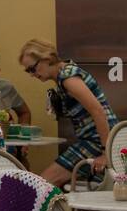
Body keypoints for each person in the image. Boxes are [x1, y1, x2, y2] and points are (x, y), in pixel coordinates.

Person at [19, 39, 117, 187]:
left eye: (32, 69)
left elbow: (98, 111)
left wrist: (106, 153)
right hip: (96, 139)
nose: (32, 74)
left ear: (47, 58)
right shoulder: (66, 72)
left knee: (40, 185)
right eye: (28, 71)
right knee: (44, 184)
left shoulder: (68, 78)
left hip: (97, 141)